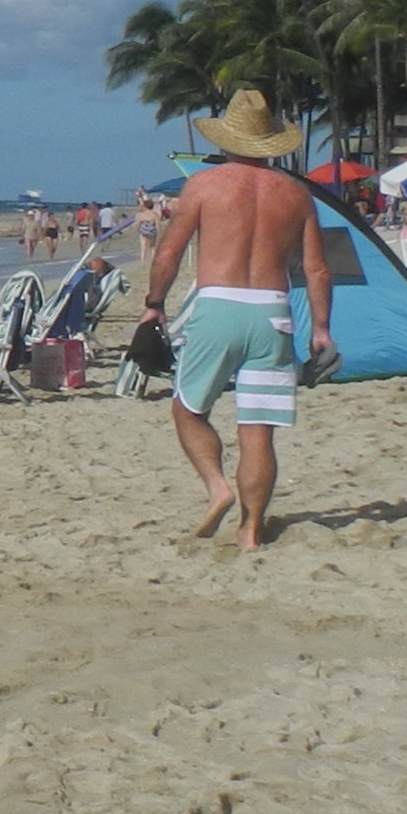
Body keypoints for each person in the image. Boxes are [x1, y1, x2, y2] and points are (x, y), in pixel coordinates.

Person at [134, 91, 336, 551]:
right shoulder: (295, 194)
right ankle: (250, 530)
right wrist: (321, 329)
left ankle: (217, 487)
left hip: (217, 307)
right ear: (271, 144)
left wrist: (154, 303)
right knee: (258, 430)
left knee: (188, 408)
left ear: (227, 139)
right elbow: (318, 269)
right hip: (273, 314)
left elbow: (169, 251)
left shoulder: (204, 186)